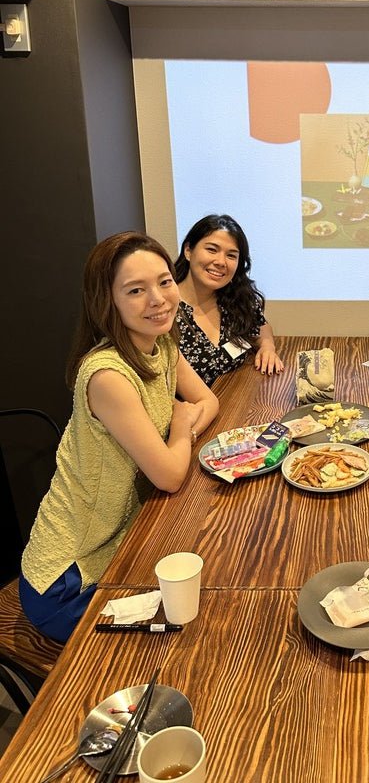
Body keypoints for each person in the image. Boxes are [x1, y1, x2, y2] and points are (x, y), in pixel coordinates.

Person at [19, 232, 219, 642]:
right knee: (190, 630)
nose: (158, 299)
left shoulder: (160, 342)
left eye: (164, 282)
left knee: (213, 584)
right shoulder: (108, 374)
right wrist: (182, 429)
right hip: (70, 579)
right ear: (106, 302)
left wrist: (183, 431)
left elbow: (208, 401)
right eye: (135, 290)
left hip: (127, 541)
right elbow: (168, 476)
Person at [174, 214, 283, 386]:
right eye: (212, 250)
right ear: (188, 250)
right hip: (189, 410)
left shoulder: (235, 297)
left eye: (231, 255)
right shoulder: (163, 308)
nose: (221, 262)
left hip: (236, 401)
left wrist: (267, 347)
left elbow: (261, 326)